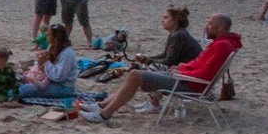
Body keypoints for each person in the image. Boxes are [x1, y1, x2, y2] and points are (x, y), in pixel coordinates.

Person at [79, 14, 241, 123]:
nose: (206, 27)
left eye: (209, 24)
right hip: (187, 79)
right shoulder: (223, 44)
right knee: (135, 74)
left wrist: (182, 72)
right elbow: (200, 64)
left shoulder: (221, 46)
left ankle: (105, 114)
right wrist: (182, 67)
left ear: (219, 29)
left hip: (189, 85)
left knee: (136, 74)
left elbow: (204, 74)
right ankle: (102, 106)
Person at [20, 24, 79, 101]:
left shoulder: (67, 54)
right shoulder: (52, 47)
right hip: (50, 81)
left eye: (49, 34)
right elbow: (43, 69)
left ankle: (6, 97)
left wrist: (46, 62)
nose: (46, 36)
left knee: (27, 89)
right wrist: (41, 61)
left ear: (55, 38)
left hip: (63, 87)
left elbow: (58, 77)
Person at [132, 7, 200, 68]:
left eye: (166, 18)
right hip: (184, 68)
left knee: (138, 70)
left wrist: (147, 60)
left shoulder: (179, 35)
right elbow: (165, 55)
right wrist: (146, 58)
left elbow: (169, 61)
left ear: (175, 20)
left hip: (187, 71)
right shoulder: (175, 33)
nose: (162, 20)